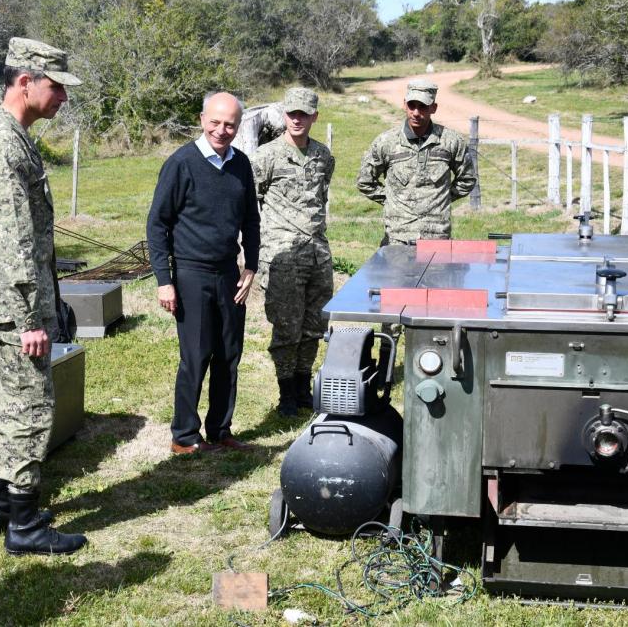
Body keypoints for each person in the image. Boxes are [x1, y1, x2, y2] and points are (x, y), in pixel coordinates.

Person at [0, 37, 86, 555]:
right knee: (31, 411)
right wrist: (31, 317)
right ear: (25, 82)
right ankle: (26, 527)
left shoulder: (11, 136)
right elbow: (11, 242)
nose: (61, 99)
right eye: (56, 88)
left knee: (11, 408)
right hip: (13, 310)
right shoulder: (3, 143)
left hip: (2, 304)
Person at [147, 92, 260, 455]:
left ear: (238, 126)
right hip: (191, 273)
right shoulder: (181, 164)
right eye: (215, 122)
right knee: (196, 355)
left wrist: (251, 265)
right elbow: (157, 225)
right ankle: (184, 435)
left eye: (230, 124)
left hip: (229, 273)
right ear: (201, 119)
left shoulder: (241, 164)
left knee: (229, 353)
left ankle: (220, 429)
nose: (222, 130)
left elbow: (251, 221)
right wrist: (165, 280)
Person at [250, 87, 335, 417]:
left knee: (314, 325)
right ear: (284, 116)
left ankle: (303, 387)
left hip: (317, 255)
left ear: (315, 116)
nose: (297, 119)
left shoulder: (322, 156)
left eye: (304, 114)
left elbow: (319, 197)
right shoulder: (266, 156)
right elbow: (250, 201)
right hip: (283, 257)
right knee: (287, 327)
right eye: (291, 114)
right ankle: (285, 392)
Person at [356, 78, 477, 246]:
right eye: (412, 105)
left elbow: (468, 179)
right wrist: (392, 200)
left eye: (423, 107)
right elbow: (365, 181)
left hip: (437, 238)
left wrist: (442, 198)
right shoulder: (386, 142)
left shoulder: (451, 141)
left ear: (433, 108)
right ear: (404, 105)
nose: (416, 112)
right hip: (397, 239)